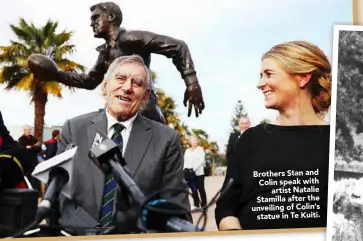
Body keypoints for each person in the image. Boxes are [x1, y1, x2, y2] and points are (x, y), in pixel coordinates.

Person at [56, 55, 190, 234]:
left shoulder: (166, 139)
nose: (127, 88)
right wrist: (94, 236)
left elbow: (175, 207)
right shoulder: (74, 129)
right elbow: (62, 197)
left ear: (146, 96)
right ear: (105, 85)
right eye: (120, 78)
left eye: (137, 83)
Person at [215, 41, 331, 230]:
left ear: (302, 78)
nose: (260, 84)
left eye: (269, 74)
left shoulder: (340, 142)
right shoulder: (250, 139)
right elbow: (226, 208)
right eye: (261, 76)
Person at [28, 2, 204, 124]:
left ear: (111, 17)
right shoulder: (105, 53)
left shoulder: (130, 38)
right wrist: (57, 75)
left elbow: (177, 46)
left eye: (96, 18)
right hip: (122, 114)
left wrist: (192, 82)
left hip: (145, 113)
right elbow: (90, 81)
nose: (91, 24)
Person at [184, 135, 207, 210]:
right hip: (190, 174)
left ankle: (204, 205)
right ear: (190, 141)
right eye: (193, 140)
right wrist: (185, 170)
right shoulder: (187, 151)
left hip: (199, 173)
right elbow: (185, 161)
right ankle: (196, 204)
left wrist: (193, 169)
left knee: (201, 189)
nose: (195, 141)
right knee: (194, 190)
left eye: (195, 140)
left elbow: (201, 160)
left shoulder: (200, 149)